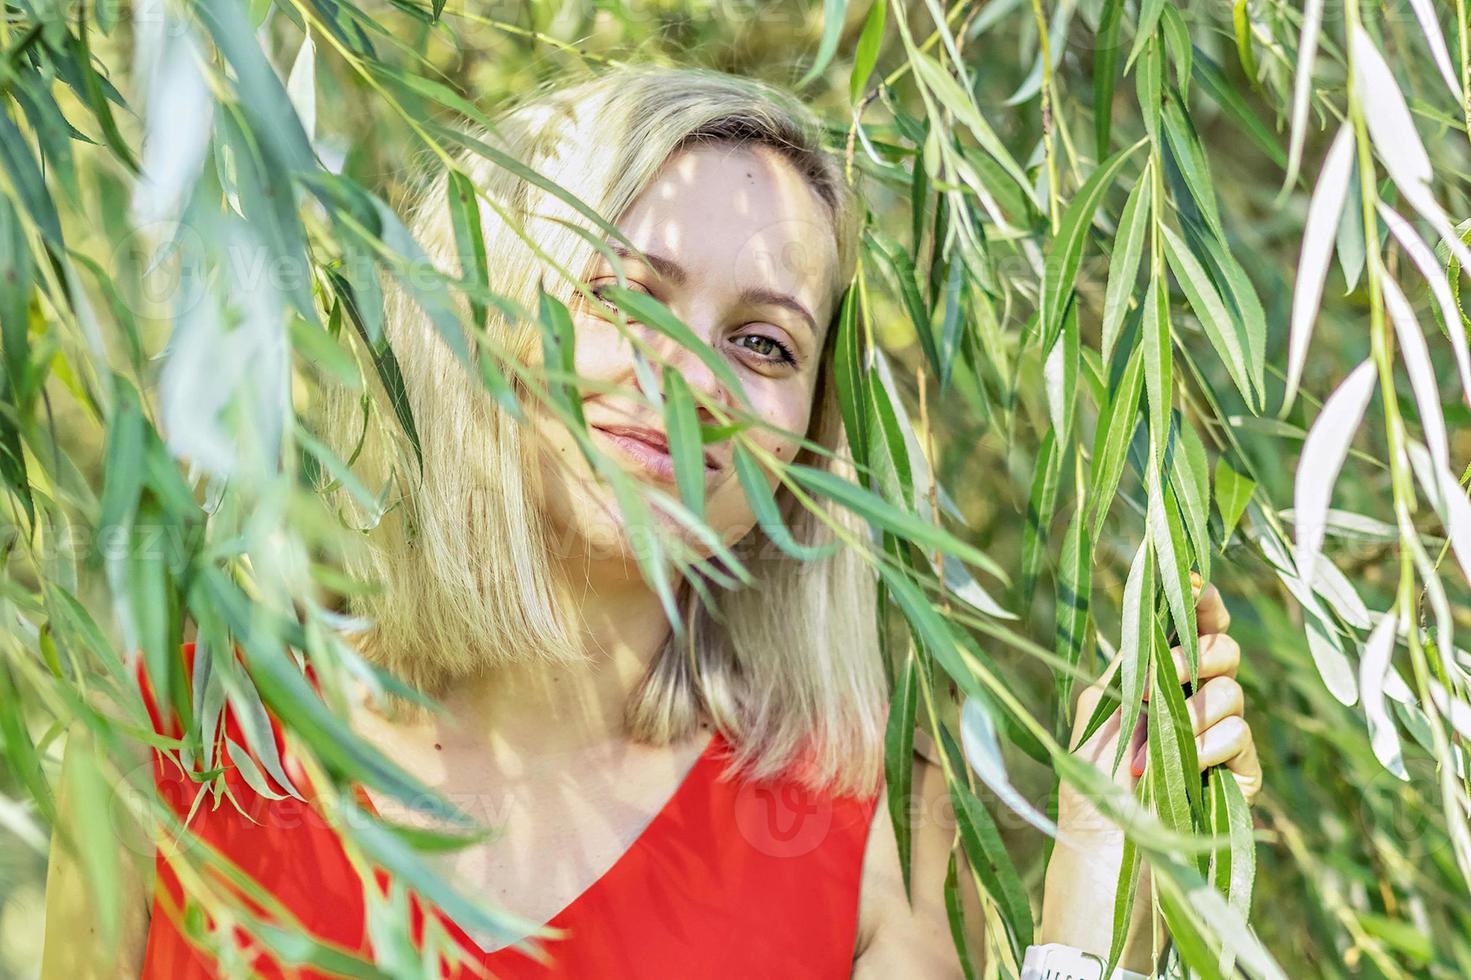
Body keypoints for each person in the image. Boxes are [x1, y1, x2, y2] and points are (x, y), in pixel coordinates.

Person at [40, 62, 1262, 978]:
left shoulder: (858, 832)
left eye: (763, 341)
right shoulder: (186, 730)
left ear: (805, 445)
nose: (686, 372)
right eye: (630, 294)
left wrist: (1084, 913)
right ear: (487, 302)